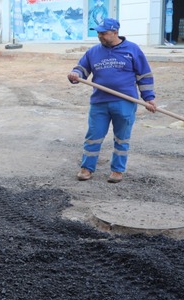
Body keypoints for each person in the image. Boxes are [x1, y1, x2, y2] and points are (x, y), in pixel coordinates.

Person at [67, 17, 157, 184]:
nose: (100, 36)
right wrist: (75, 74)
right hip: (99, 102)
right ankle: (87, 168)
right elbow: (81, 69)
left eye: (103, 33)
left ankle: (117, 170)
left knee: (122, 138)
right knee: (93, 136)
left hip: (125, 102)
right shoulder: (93, 52)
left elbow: (144, 76)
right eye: (98, 33)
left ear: (115, 32)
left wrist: (149, 98)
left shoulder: (132, 50)